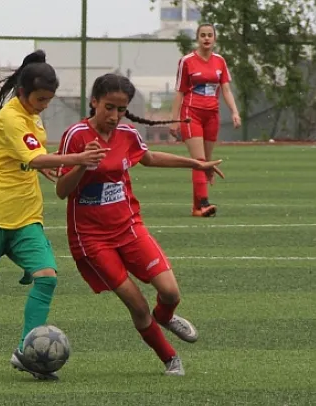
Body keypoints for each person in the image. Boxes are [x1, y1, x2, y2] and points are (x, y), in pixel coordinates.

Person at [0, 50, 109, 380]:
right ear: (23, 92)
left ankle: (26, 353)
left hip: (25, 214)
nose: (44, 105)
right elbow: (34, 157)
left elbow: (29, 158)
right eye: (40, 99)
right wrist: (77, 158)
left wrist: (44, 168)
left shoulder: (31, 116)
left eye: (49, 100)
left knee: (47, 276)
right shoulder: (9, 119)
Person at [56, 73, 225, 376]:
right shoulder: (76, 136)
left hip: (129, 227)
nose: (114, 116)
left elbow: (149, 158)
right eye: (108, 107)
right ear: (94, 102)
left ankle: (165, 316)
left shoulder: (127, 134)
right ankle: (170, 358)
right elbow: (61, 190)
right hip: (92, 239)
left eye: (121, 109)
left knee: (171, 293)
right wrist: (82, 163)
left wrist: (196, 163)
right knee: (137, 305)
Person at [169, 23, 241, 217]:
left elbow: (226, 89)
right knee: (199, 161)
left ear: (215, 38)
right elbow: (180, 92)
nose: (206, 38)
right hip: (191, 114)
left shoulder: (220, 61)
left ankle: (196, 208)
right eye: (203, 35)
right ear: (198, 38)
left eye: (210, 35)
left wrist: (235, 112)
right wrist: (174, 120)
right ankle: (203, 203)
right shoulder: (187, 61)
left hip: (212, 116)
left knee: (206, 163)